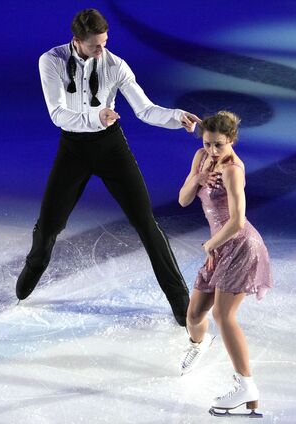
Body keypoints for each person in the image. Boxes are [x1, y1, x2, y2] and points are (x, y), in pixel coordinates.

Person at [15, 8, 201, 326]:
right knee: (49, 226)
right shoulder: (52, 61)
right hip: (73, 149)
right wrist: (94, 117)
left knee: (146, 223)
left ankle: (179, 301)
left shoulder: (116, 65)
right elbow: (57, 114)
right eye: (96, 45)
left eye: (105, 42)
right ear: (77, 41)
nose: (103, 50)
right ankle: (36, 262)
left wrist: (176, 116)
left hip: (110, 147)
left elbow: (145, 109)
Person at [177, 111, 273, 415]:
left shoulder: (233, 170)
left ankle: (246, 385)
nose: (213, 150)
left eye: (219, 145)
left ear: (231, 140)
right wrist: (198, 177)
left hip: (240, 246)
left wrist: (211, 244)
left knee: (223, 315)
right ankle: (199, 344)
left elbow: (238, 221)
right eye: (208, 143)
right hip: (218, 248)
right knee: (193, 316)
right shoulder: (201, 158)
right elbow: (182, 199)